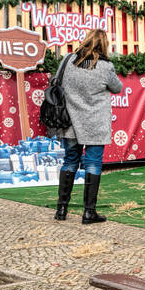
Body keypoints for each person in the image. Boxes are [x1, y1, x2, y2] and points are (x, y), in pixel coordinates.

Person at [51, 29, 122, 224]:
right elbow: (118, 88)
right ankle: (89, 212)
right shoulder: (105, 67)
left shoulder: (67, 60)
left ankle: (61, 209)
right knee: (92, 163)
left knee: (70, 161)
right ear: (104, 45)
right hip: (95, 124)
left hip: (70, 122)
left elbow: (54, 81)